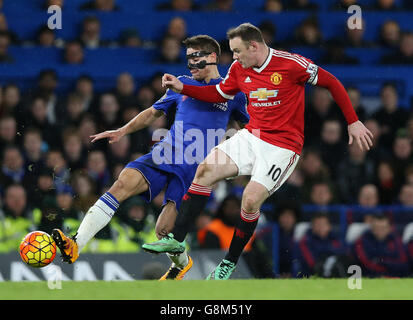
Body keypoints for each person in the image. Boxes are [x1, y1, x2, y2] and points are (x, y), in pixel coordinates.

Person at [144, 22, 373, 280]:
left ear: (254, 46)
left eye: (238, 51)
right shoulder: (239, 69)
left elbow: (332, 82)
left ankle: (228, 263)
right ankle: (176, 239)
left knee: (250, 200)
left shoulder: (291, 64)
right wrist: (183, 87)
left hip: (283, 147)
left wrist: (353, 121)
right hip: (253, 136)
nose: (235, 57)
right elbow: (220, 93)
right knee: (205, 170)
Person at [51, 35, 249, 281]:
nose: (190, 64)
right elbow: (152, 113)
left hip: (194, 169)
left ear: (211, 57)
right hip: (165, 153)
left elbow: (248, 131)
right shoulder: (182, 85)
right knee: (121, 184)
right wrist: (122, 130)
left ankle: (181, 265)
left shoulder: (233, 93)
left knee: (163, 231)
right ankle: (75, 245)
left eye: (195, 57)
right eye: (187, 58)